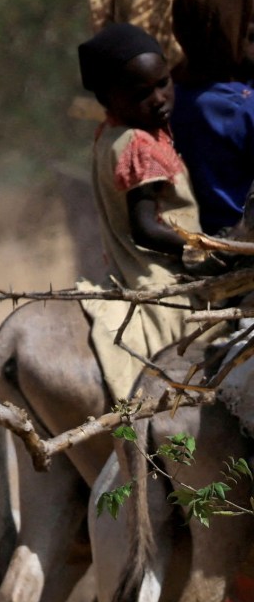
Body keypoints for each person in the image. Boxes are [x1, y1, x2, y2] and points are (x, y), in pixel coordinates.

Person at [76, 23, 205, 401]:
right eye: (141, 94)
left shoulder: (112, 134)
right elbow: (144, 227)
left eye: (163, 83)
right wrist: (201, 250)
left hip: (125, 268)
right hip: (161, 275)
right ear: (108, 98)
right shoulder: (139, 144)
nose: (159, 99)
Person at [170, 0, 254, 234]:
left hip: (203, 238)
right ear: (230, 30)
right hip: (242, 240)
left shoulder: (170, 91)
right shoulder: (240, 107)